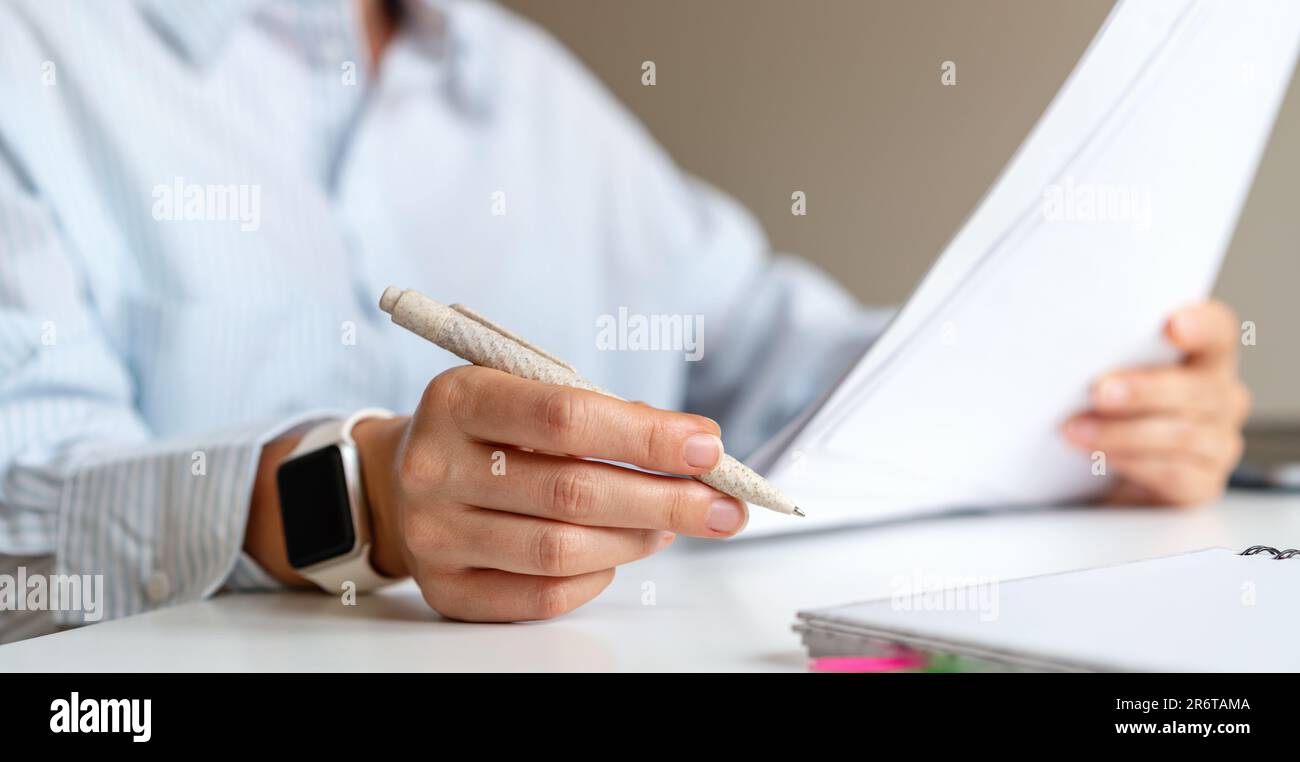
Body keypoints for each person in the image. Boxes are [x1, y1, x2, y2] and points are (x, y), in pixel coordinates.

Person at [0, 0, 1250, 641]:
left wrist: (1086, 398)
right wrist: (349, 503)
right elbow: (20, 537)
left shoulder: (527, 86)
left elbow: (769, 356)